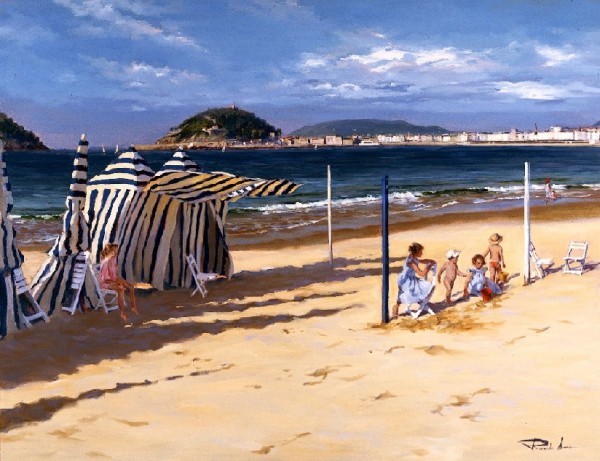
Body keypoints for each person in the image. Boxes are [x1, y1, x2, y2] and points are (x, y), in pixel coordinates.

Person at [391, 242, 436, 319]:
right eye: (420, 252)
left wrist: (429, 260)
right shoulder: (412, 262)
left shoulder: (413, 258)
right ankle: (418, 303)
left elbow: (420, 261)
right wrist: (429, 266)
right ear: (416, 252)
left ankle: (396, 308)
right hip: (407, 280)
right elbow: (422, 273)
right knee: (413, 291)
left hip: (404, 278)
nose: (422, 253)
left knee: (402, 293)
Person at [100, 243, 138, 321]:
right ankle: (122, 313)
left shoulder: (113, 259)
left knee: (130, 286)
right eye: (115, 250)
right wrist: (117, 283)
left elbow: (115, 274)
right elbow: (105, 279)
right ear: (111, 251)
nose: (117, 251)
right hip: (106, 283)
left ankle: (134, 307)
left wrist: (119, 280)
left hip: (114, 279)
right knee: (121, 289)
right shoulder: (105, 262)